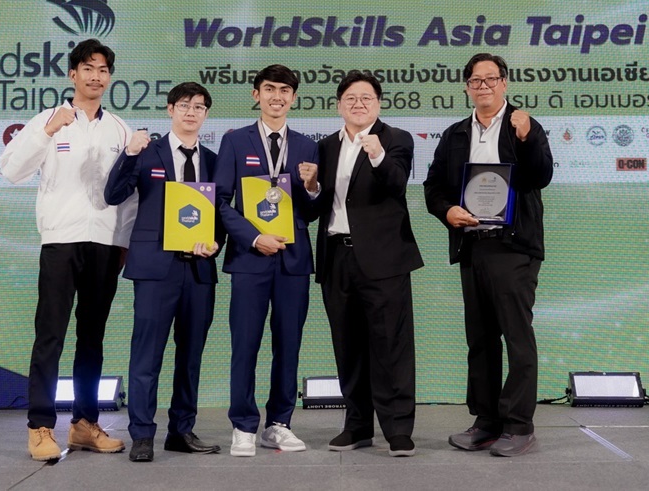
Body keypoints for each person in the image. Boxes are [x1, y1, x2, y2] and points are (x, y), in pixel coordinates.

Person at [0, 38, 137, 462]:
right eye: (88, 69)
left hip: (105, 245)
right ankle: (40, 427)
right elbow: (11, 170)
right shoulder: (49, 119)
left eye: (103, 70)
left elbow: (128, 192)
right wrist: (46, 131)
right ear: (73, 74)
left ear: (109, 77)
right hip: (61, 241)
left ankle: (84, 424)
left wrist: (124, 242)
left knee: (92, 339)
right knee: (51, 336)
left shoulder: (120, 129)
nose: (96, 76)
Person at [423, 53, 553, 458]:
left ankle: (519, 425)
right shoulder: (455, 134)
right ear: (467, 88)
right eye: (475, 81)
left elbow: (541, 176)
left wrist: (527, 138)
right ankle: (486, 421)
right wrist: (447, 211)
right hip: (472, 246)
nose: (483, 86)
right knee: (480, 339)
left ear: (504, 83)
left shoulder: (523, 125)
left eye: (491, 79)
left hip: (513, 246)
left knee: (516, 336)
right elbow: (433, 187)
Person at [103, 82, 224, 462]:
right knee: (147, 355)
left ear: (206, 114)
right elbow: (113, 194)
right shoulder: (147, 152)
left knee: (191, 357)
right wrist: (128, 154)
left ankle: (181, 430)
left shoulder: (215, 160)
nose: (191, 112)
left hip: (199, 270)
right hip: (155, 269)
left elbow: (222, 212)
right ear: (170, 109)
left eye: (199, 107)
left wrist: (216, 242)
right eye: (184, 105)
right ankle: (142, 434)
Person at [304, 70, 423, 457]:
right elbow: (317, 209)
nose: (358, 104)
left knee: (391, 346)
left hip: (383, 259)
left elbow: (396, 184)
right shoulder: (325, 146)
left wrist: (377, 155)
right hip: (337, 256)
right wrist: (311, 188)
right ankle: (357, 426)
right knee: (348, 345)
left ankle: (398, 429)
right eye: (351, 98)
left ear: (379, 103)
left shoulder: (396, 139)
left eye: (366, 98)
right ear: (339, 105)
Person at [213, 64, 320, 457]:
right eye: (270, 89)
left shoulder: (308, 146)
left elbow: (312, 211)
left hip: (293, 260)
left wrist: (312, 186)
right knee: (245, 344)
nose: (278, 96)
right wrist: (254, 237)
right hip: (249, 258)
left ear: (294, 98)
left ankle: (279, 424)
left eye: (285, 90)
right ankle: (243, 425)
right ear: (256, 94)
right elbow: (220, 201)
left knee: (288, 345)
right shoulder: (235, 141)